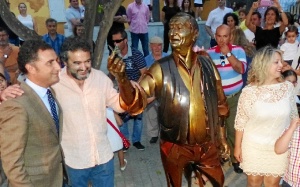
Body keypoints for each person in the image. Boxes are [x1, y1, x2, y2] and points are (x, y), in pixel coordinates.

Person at [108, 12, 230, 187]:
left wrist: (222, 137)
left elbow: (220, 103)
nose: (173, 33)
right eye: (171, 29)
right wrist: (122, 80)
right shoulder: (159, 68)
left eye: (179, 28)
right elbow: (136, 103)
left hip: (207, 145)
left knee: (216, 182)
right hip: (174, 147)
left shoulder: (206, 62)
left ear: (195, 33)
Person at [0, 40, 64, 186]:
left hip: (55, 178)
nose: (58, 67)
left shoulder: (49, 91)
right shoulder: (16, 105)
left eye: (57, 61)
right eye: (50, 63)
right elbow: (12, 163)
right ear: (31, 68)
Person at [234, 46, 299, 186]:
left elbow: (294, 116)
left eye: (281, 61)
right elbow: (241, 122)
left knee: (273, 184)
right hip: (253, 146)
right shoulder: (249, 92)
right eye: (276, 62)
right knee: (253, 183)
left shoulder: (287, 87)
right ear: (263, 64)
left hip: (279, 147)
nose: (281, 65)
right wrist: (237, 147)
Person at [207, 24, 247, 174]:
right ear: (215, 36)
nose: (222, 39)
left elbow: (241, 69)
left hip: (234, 98)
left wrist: (228, 54)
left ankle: (237, 159)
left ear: (230, 37)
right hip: (216, 101)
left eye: (225, 36)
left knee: (234, 129)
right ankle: (222, 156)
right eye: (219, 36)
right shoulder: (209, 53)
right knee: (217, 131)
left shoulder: (238, 50)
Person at [111, 28, 147, 151]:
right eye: (113, 41)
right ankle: (125, 142)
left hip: (136, 90)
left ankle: (136, 140)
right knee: (122, 116)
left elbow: (144, 73)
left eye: (118, 41)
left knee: (138, 117)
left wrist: (135, 87)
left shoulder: (136, 54)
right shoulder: (115, 56)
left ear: (125, 40)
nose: (115, 44)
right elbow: (112, 74)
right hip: (121, 91)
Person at [144, 36, 168, 144]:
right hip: (152, 90)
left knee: (166, 114)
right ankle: (153, 135)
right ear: (150, 47)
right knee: (151, 114)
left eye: (159, 45)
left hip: (166, 89)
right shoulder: (146, 60)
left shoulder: (168, 58)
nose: (157, 48)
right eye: (154, 45)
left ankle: (166, 134)